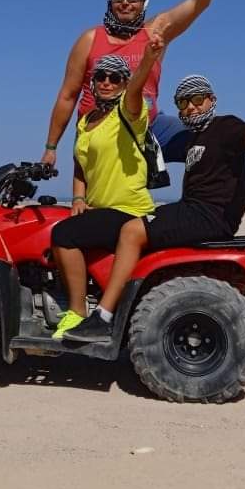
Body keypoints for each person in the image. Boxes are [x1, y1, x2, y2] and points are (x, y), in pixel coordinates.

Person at [63, 74, 245, 342]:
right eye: (183, 103)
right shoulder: (193, 137)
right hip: (192, 209)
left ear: (211, 100)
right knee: (138, 225)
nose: (191, 107)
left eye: (197, 99)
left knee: (131, 231)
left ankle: (103, 318)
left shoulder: (225, 126)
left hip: (208, 214)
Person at [40, 0, 236, 167]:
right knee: (103, 192)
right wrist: (51, 147)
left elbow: (199, 1)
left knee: (214, 140)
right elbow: (67, 96)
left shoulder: (155, 32)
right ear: (110, 2)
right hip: (100, 134)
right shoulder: (89, 39)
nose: (126, 2)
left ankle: (202, 194)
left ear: (144, 3)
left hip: (150, 127)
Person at [48, 33, 166, 339]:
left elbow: (137, 87)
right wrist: (78, 198)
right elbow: (80, 164)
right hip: (99, 209)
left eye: (115, 78)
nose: (107, 82)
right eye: (100, 76)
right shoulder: (86, 120)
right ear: (93, 82)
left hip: (128, 210)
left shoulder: (128, 112)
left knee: (63, 235)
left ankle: (78, 313)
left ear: (124, 83)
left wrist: (148, 59)